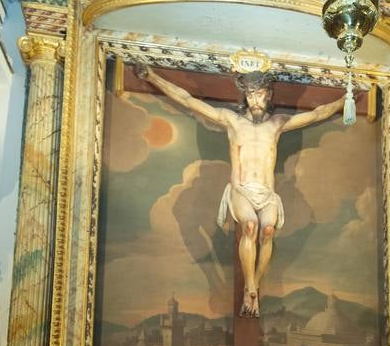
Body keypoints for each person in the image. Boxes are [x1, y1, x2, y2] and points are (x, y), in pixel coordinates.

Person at [136, 64, 344, 318]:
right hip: (241, 189)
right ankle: (251, 286)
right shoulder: (231, 120)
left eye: (260, 94)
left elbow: (318, 114)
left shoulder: (278, 123)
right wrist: (152, 77)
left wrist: (346, 99)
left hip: (267, 192)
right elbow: (187, 100)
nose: (255, 100)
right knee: (250, 226)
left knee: (268, 231)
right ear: (244, 96)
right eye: (250, 94)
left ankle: (252, 286)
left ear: (269, 95)